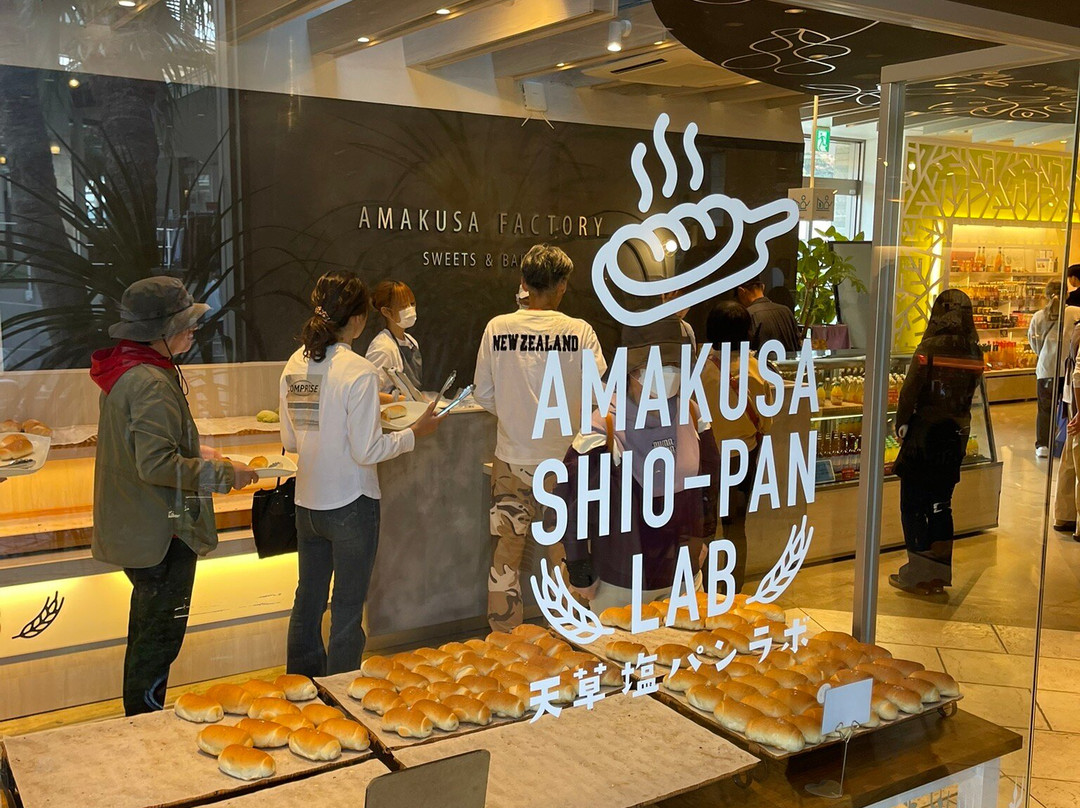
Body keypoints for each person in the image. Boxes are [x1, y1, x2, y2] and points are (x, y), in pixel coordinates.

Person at [90, 276, 259, 716]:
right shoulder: (150, 381)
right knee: (158, 644)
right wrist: (226, 473)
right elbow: (156, 466)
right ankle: (145, 730)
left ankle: (140, 725)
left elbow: (142, 450)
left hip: (141, 529)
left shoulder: (127, 371)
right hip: (161, 535)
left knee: (148, 638)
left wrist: (196, 451)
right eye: (185, 323)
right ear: (159, 331)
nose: (193, 330)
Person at [280, 270, 440, 677]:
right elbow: (367, 450)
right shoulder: (358, 371)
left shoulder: (295, 364)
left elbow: (291, 440)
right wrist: (414, 433)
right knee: (348, 608)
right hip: (352, 503)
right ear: (356, 319)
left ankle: (302, 688)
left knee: (308, 600)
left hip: (307, 504)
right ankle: (340, 697)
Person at [474, 244, 606, 631]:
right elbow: (599, 396)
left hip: (511, 458)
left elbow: (483, 393)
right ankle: (568, 638)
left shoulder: (498, 328)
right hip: (564, 461)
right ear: (562, 285)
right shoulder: (579, 332)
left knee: (507, 553)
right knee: (563, 550)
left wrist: (516, 415)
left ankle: (505, 643)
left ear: (524, 283)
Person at [558, 318, 719, 611]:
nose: (669, 373)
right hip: (621, 583)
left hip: (684, 576)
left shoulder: (692, 414)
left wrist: (704, 538)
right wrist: (580, 568)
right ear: (631, 369)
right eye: (658, 364)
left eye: (676, 365)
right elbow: (572, 503)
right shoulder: (603, 427)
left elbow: (709, 483)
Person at [890, 289, 984, 596]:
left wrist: (901, 424)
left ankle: (918, 573)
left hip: (924, 436)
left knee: (913, 505)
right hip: (956, 437)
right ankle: (939, 575)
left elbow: (909, 393)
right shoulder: (974, 351)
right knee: (942, 506)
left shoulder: (929, 347)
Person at [700, 301, 772, 592]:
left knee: (705, 527)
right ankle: (733, 588)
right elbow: (766, 421)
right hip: (743, 457)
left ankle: (704, 590)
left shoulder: (700, 369)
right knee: (735, 526)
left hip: (707, 458)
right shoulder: (756, 369)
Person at [1053, 274, 1080, 533]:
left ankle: (1064, 515)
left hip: (1072, 396)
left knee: (1070, 458)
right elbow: (1078, 374)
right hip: (1077, 399)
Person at [365, 280, 423, 399]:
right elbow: (369, 393)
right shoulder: (382, 347)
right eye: (403, 306)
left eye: (412, 303)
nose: (410, 309)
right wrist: (403, 399)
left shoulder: (412, 342)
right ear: (386, 312)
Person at [1028, 281, 1063, 458]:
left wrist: (1043, 353)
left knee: (1045, 408)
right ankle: (1063, 442)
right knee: (1067, 408)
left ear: (1046, 295)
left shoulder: (1038, 316)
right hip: (1067, 369)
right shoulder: (1074, 314)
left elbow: (1033, 341)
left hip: (1046, 369)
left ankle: (1043, 445)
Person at [736, 279, 801, 353]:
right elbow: (797, 343)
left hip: (760, 360)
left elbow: (744, 352)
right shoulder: (786, 311)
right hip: (788, 360)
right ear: (763, 287)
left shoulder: (747, 314)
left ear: (741, 291)